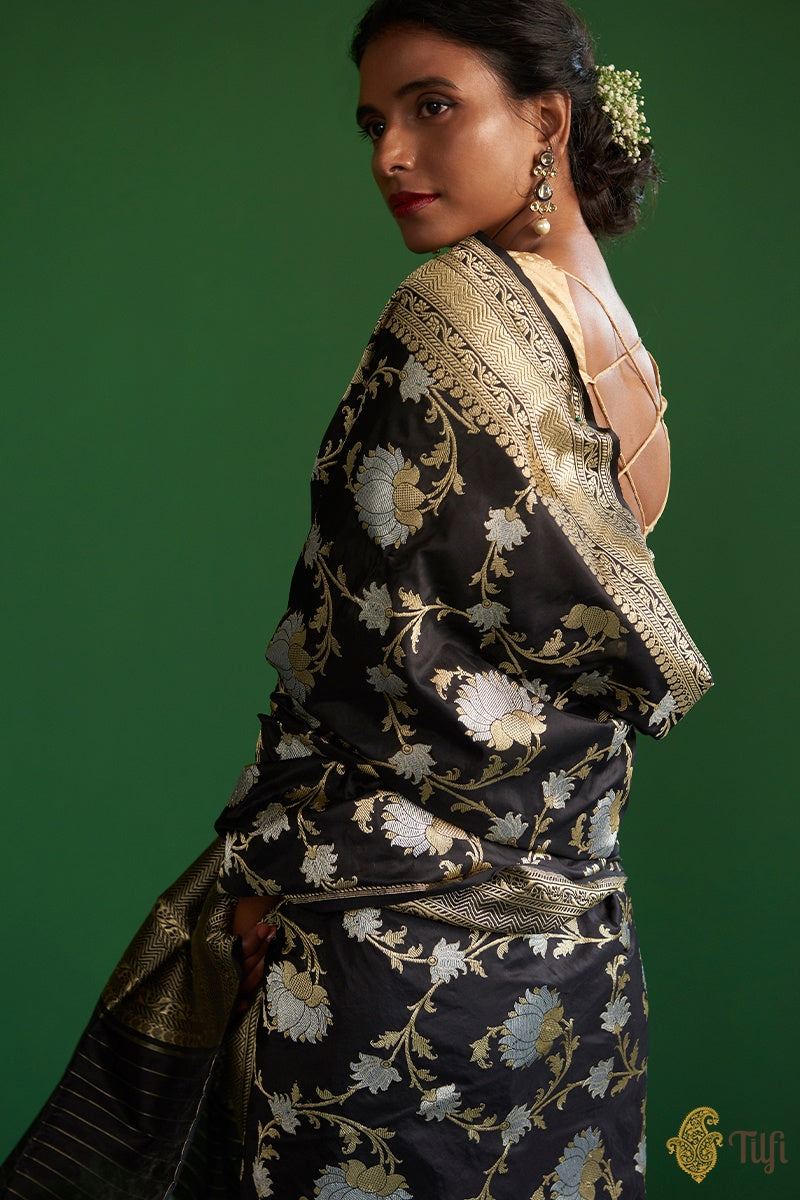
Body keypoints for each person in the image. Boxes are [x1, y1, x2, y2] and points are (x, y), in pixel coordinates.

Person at [1, 2, 712, 1198]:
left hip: (388, 956)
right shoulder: (617, 349)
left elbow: (355, 641)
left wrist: (264, 867)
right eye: (374, 121)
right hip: (575, 957)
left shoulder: (448, 315)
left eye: (433, 106)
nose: (390, 153)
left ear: (545, 120)